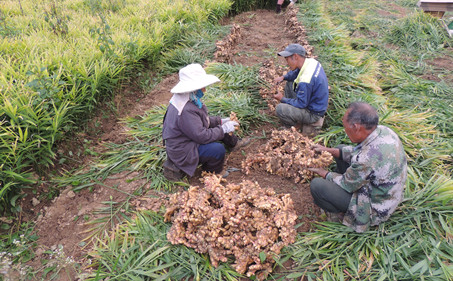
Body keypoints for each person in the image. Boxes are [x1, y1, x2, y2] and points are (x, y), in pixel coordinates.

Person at [308, 102, 407, 233]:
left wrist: (324, 173)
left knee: (317, 186)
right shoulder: (383, 130)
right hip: (385, 192)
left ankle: (337, 214)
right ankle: (337, 196)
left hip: (376, 207)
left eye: (345, 127)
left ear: (356, 127)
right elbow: (358, 153)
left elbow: (346, 183)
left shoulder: (366, 159)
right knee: (340, 150)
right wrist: (328, 150)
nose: (345, 130)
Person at [162, 63, 247, 181]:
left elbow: (200, 121)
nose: (204, 90)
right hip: (182, 149)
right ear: (193, 88)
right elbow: (202, 136)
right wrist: (223, 129)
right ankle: (211, 172)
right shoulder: (185, 109)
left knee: (220, 128)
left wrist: (221, 121)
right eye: (202, 87)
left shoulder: (187, 99)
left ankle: (233, 143)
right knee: (217, 150)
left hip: (188, 138)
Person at [273, 44, 329, 133]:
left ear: (295, 56)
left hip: (313, 113)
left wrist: (282, 99)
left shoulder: (306, 80)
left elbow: (301, 104)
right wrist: (283, 77)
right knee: (290, 82)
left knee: (280, 109)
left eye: (287, 59)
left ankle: (293, 126)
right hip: (317, 102)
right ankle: (295, 114)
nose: (287, 63)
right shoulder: (311, 62)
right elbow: (297, 72)